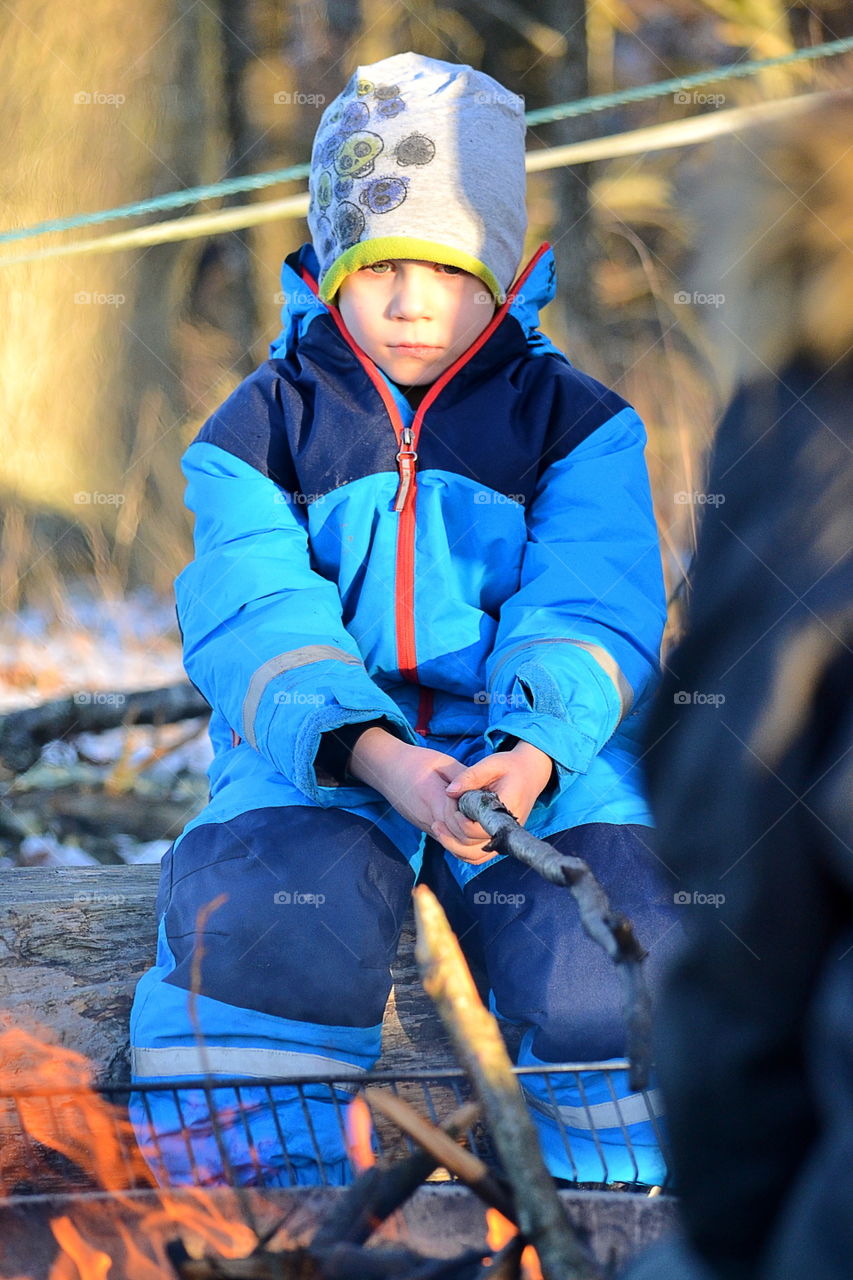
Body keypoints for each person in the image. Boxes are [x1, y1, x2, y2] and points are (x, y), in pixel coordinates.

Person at [130, 50, 681, 1188]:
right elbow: (254, 608)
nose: (411, 297)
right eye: (381, 263)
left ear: (509, 264)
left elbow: (593, 600)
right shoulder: (261, 427)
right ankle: (259, 1203)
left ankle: (631, 1198)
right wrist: (372, 754)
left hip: (544, 758)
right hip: (324, 752)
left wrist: (531, 750)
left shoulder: (579, 425)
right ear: (332, 264)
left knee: (613, 949)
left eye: (448, 263)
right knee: (266, 924)